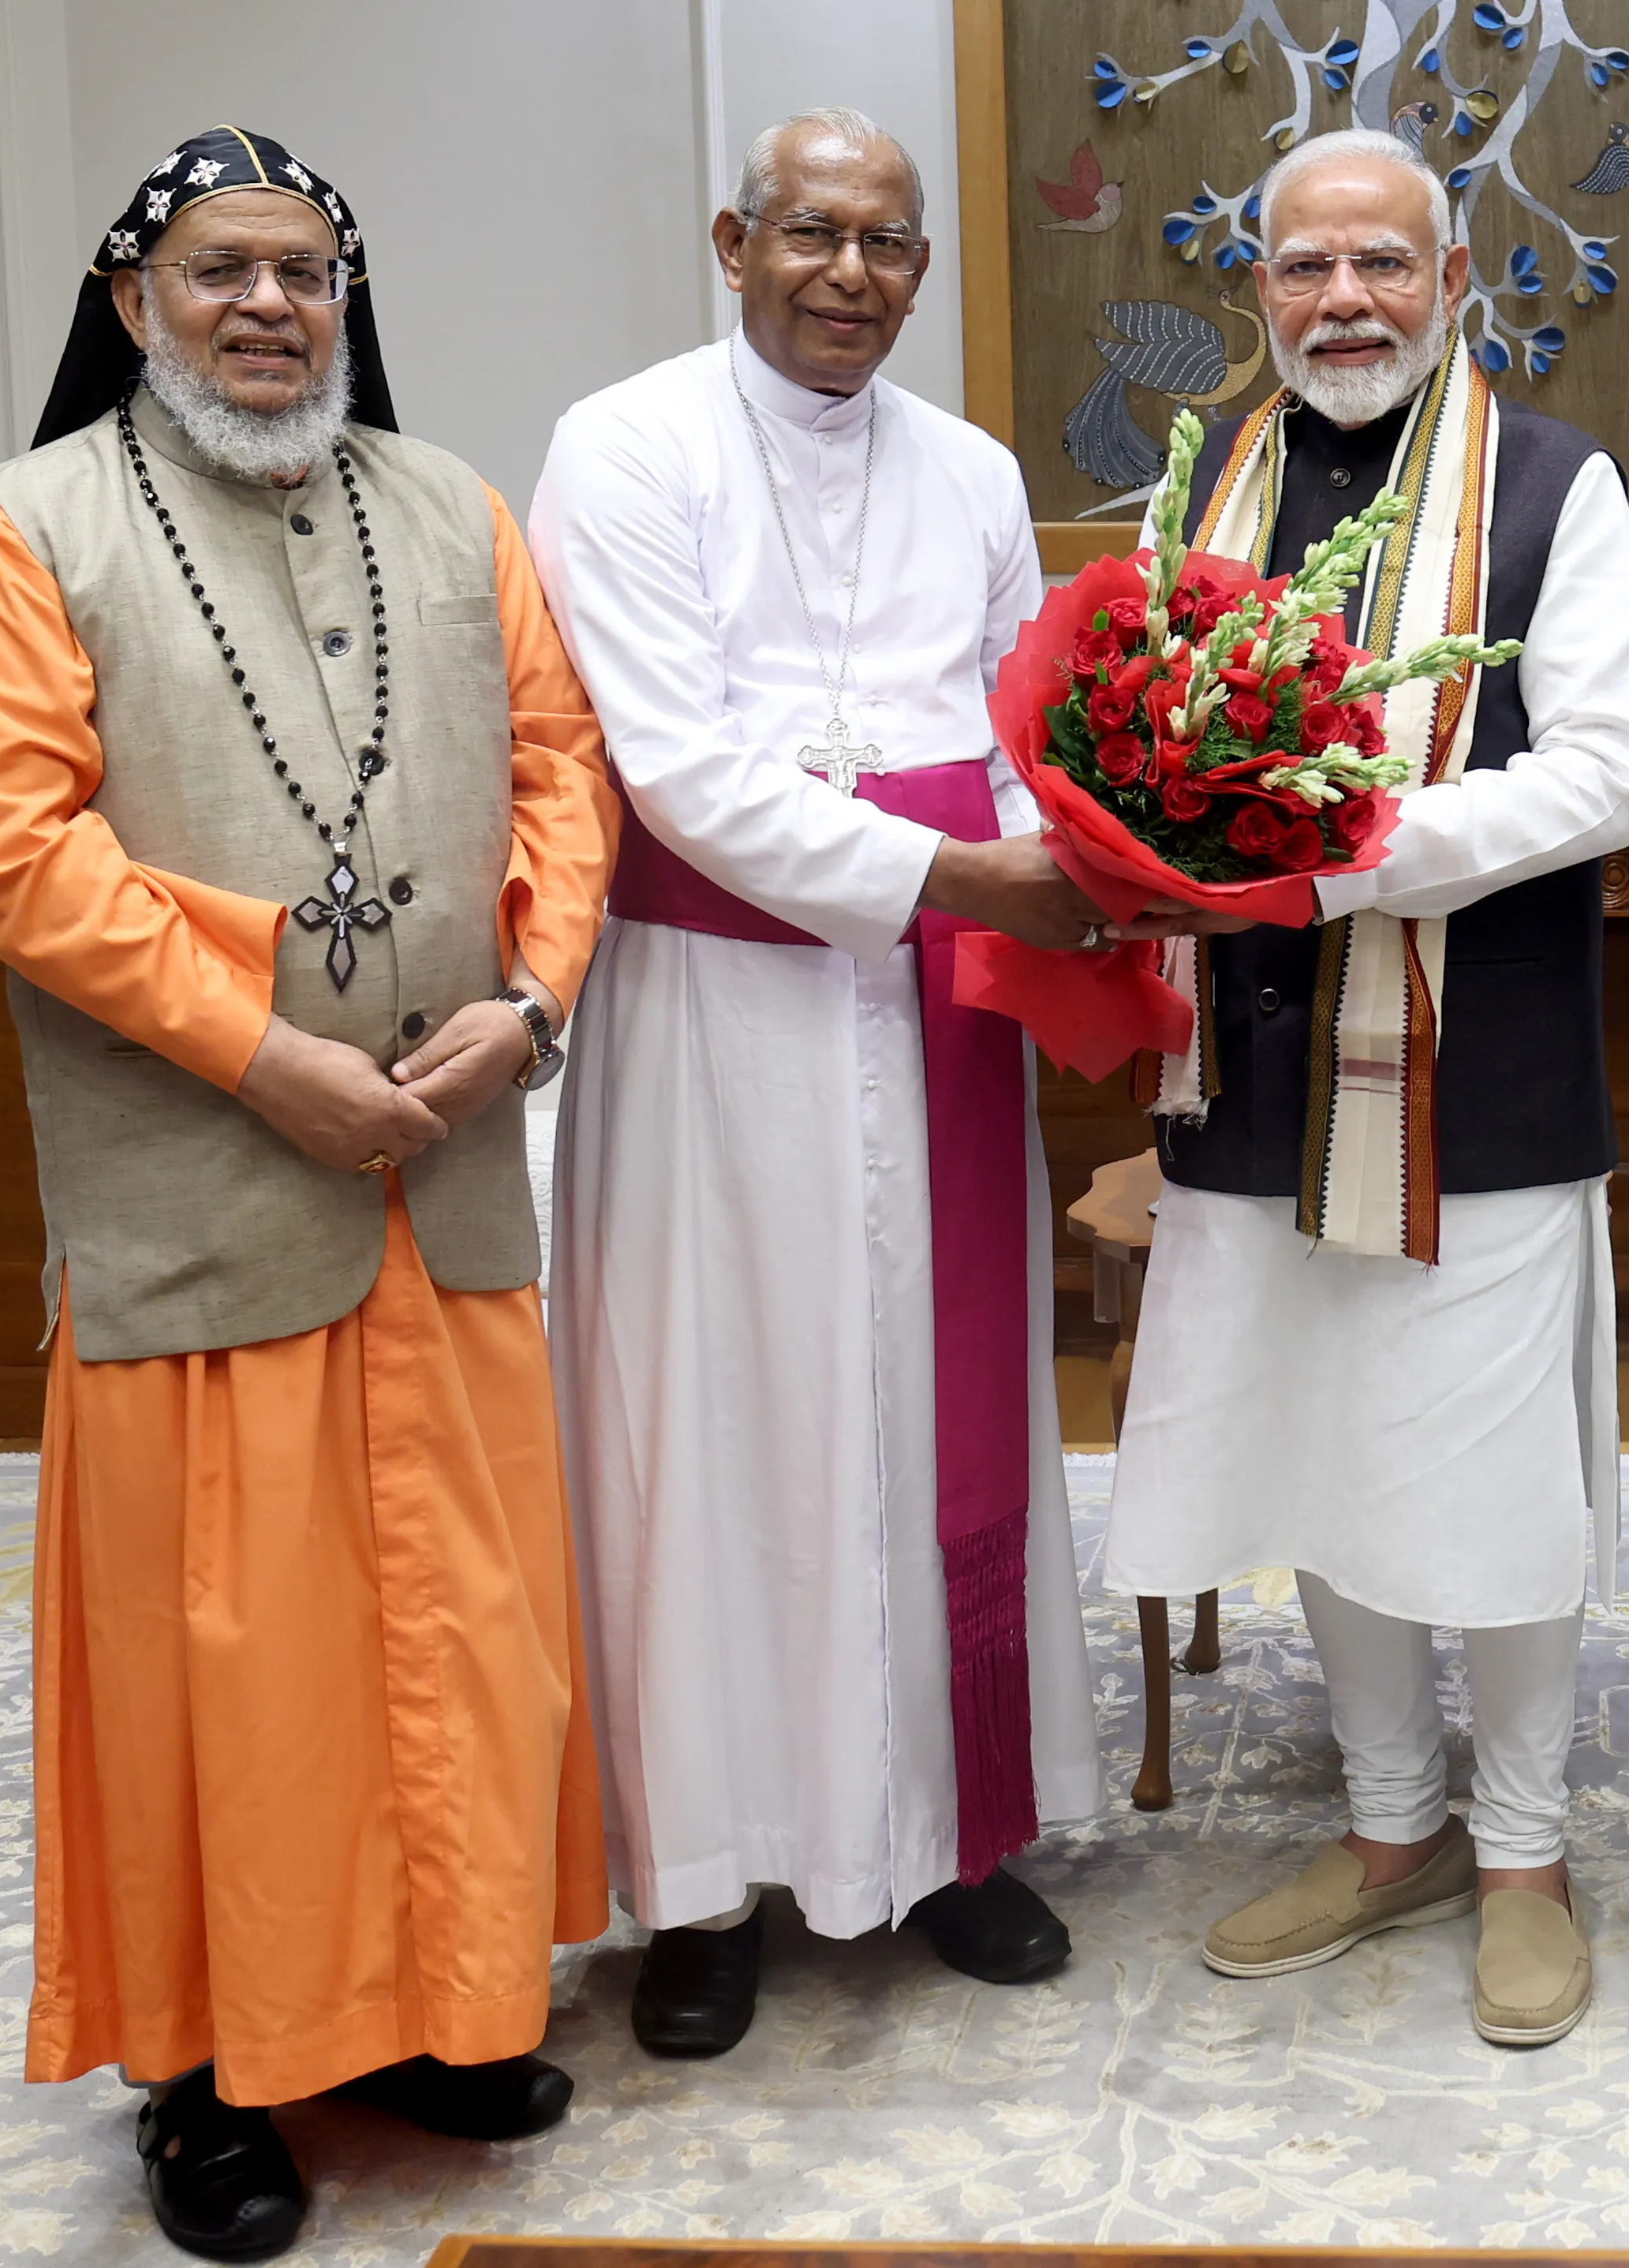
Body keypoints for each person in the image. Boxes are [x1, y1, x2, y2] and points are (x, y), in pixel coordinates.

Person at [0, 127, 618, 2262]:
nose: (269, 308)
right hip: (206, 1199)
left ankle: (430, 2013)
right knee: (229, 1667)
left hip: (449, 1184)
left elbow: (564, 771)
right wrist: (255, 1051)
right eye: (220, 272)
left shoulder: (455, 505)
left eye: (305, 271)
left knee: (460, 1642)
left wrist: (534, 997)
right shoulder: (22, 530)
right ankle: (211, 2075)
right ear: (134, 303)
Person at [530, 107, 1104, 2061]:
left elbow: (1027, 719)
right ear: (732, 237)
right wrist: (954, 869)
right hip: (714, 1015)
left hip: (936, 1019)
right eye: (811, 232)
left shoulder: (973, 470)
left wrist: (1090, 858)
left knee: (937, 1414)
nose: (850, 271)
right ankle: (708, 1873)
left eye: (887, 241)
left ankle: (949, 1836)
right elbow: (672, 766)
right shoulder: (624, 443)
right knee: (710, 1431)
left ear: (920, 269)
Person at [1096, 128, 1629, 2046]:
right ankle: (1391, 1823)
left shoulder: (1555, 487)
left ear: (1453, 273)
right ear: (1255, 288)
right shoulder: (1197, 492)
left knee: (1482, 1478)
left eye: (1382, 266)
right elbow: (1126, 747)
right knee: (1324, 1449)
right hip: (1245, 1069)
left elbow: (1599, 778)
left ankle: (1520, 1848)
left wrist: (1329, 847)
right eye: (1304, 269)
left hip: (1475, 1069)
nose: (1344, 301)